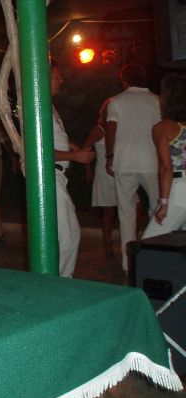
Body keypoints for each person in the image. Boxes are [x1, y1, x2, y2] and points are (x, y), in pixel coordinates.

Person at [105, 63, 160, 271]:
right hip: (151, 161)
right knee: (158, 208)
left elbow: (111, 130)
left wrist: (109, 156)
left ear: (124, 79)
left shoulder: (116, 101)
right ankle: (155, 255)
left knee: (126, 213)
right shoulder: (157, 101)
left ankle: (128, 263)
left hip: (124, 162)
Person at [50, 63, 95, 277]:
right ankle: (58, 283)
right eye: (57, 76)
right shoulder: (38, 106)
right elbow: (39, 151)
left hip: (58, 175)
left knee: (72, 233)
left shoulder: (48, 106)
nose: (61, 80)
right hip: (49, 175)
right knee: (66, 236)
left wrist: (70, 146)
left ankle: (63, 279)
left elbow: (52, 138)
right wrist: (75, 156)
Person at [142, 73, 186, 238]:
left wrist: (164, 203)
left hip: (180, 189)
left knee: (150, 241)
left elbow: (166, 168)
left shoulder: (163, 128)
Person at [83, 99, 117, 257]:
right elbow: (85, 148)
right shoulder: (99, 129)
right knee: (109, 210)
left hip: (120, 171)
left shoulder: (118, 127)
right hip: (104, 173)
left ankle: (131, 241)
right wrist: (88, 169)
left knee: (135, 205)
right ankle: (108, 244)